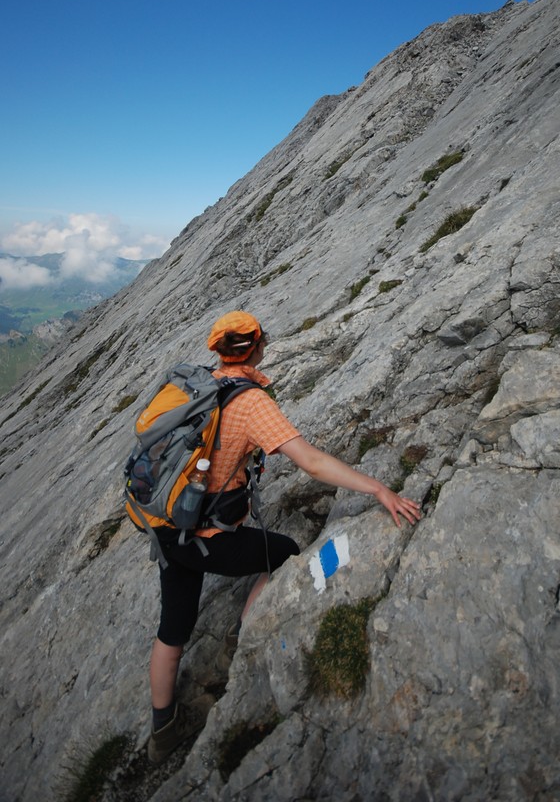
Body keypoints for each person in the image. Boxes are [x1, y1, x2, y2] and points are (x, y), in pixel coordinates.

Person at [147, 310, 422, 764]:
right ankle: (248, 643)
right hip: (207, 536)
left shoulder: (198, 388)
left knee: (172, 631)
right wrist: (377, 487)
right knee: (283, 553)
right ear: (255, 346)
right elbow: (309, 462)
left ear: (218, 350)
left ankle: (162, 732)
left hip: (167, 528)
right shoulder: (250, 401)